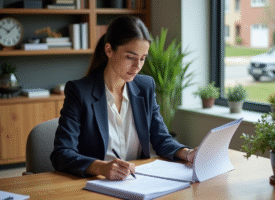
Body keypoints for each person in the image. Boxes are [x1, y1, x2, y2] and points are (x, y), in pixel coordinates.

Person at [50, 16, 197, 180]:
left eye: (142, 58)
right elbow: (62, 154)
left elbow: (161, 139)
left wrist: (189, 153)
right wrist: (101, 167)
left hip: (137, 182)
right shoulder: (79, 92)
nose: (138, 67)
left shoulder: (145, 87)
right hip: (95, 184)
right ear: (109, 50)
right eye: (130, 57)